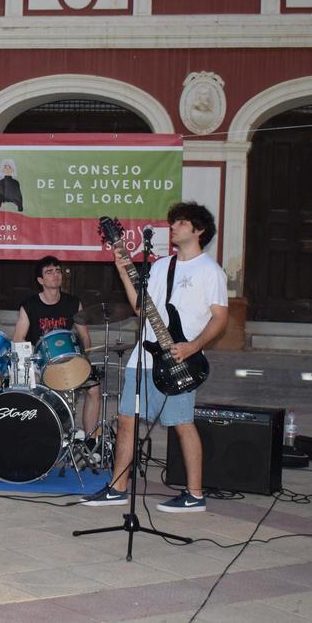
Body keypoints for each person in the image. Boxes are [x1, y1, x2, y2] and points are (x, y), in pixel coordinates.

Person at [81, 202, 228, 512]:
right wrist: (124, 271)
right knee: (126, 419)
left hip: (180, 358)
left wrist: (192, 347)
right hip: (143, 355)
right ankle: (118, 487)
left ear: (199, 230)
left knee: (181, 422)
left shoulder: (210, 272)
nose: (173, 226)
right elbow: (140, 307)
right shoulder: (162, 266)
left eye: (181, 223)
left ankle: (195, 493)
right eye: (173, 221)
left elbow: (220, 319)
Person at [13, 256, 101, 447]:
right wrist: (31, 368)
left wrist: (82, 361)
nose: (55, 275)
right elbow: (18, 340)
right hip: (41, 365)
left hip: (68, 362)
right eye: (49, 272)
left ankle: (90, 440)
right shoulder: (29, 306)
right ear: (40, 281)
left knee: (94, 389)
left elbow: (85, 336)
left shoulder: (73, 303)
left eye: (58, 271)